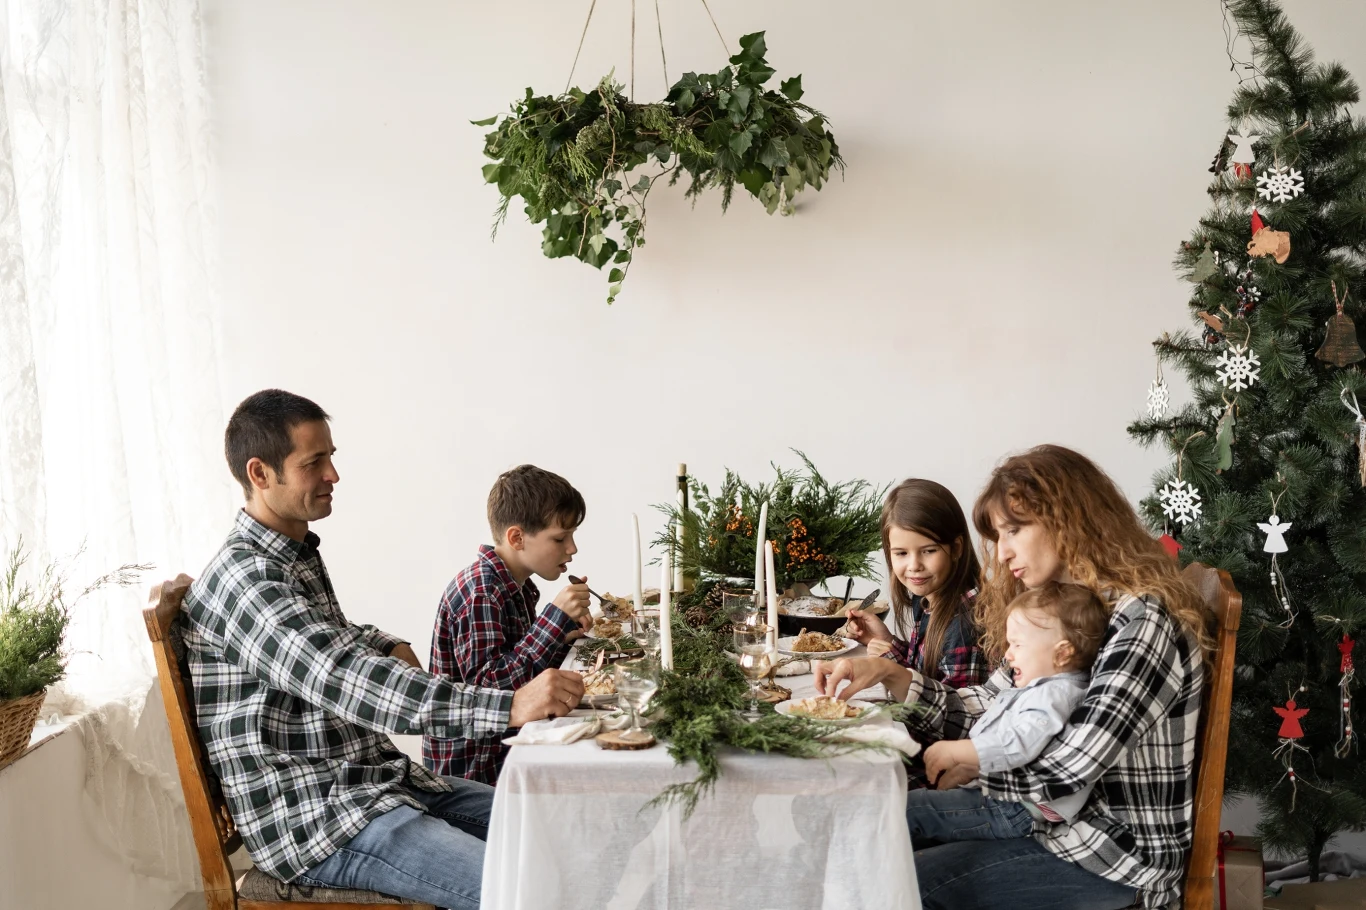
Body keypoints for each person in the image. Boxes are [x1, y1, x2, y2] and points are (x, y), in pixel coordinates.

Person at [183, 390, 584, 910]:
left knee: (572, 832)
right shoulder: (245, 580)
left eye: (331, 456)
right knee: (529, 892)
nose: (333, 474)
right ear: (260, 474)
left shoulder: (288, 555)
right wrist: (510, 705)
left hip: (377, 782)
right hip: (321, 819)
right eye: (313, 462)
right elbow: (349, 680)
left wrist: (386, 641)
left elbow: (332, 636)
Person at [815, 444, 1210, 910]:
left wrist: (978, 761)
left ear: (1070, 519)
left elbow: (1073, 766)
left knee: (896, 879)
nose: (1001, 553)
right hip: (1050, 825)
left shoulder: (1141, 621)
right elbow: (986, 702)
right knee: (873, 821)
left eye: (1014, 530)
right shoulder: (1067, 607)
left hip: (1110, 857)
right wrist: (890, 673)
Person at [424, 464, 594, 784]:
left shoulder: (515, 586)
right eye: (560, 538)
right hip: (478, 773)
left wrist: (560, 635)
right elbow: (491, 690)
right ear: (517, 537)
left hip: (503, 754)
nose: (572, 548)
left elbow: (519, 665)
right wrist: (552, 620)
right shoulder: (482, 591)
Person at [906, 582, 1109, 844]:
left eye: (1017, 645)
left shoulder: (1054, 695)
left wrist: (956, 751)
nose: (1008, 655)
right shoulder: (1050, 685)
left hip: (1015, 809)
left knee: (914, 809)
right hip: (1010, 801)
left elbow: (1017, 743)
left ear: (1062, 653)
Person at [844, 478, 988, 689]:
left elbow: (950, 710)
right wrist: (888, 642)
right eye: (901, 553)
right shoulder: (926, 597)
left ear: (957, 548)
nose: (914, 566)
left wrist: (889, 662)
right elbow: (927, 672)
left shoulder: (965, 627)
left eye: (928, 551)